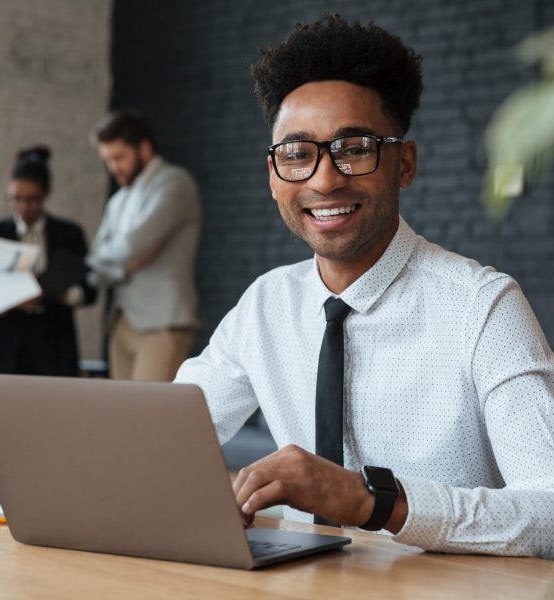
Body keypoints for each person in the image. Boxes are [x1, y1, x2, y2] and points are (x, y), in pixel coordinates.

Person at [175, 16, 554, 558]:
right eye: (297, 154)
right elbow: (160, 442)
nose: (325, 180)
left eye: (354, 148)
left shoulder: (482, 307)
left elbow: (551, 509)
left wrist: (373, 500)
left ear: (405, 164)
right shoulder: (266, 303)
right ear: (273, 177)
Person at [87, 110, 200, 381]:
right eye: (108, 161)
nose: (113, 167)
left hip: (163, 322)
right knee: (122, 419)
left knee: (148, 420)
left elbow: (132, 245)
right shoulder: (119, 200)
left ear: (144, 148)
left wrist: (116, 252)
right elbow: (92, 260)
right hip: (121, 322)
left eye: (119, 157)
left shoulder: (175, 183)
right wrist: (123, 271)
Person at [0, 146, 96, 376]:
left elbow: (90, 290)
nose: (23, 208)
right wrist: (9, 298)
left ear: (47, 193)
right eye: (15, 199)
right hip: (6, 343)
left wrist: (64, 293)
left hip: (54, 342)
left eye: (32, 200)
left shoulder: (69, 234)